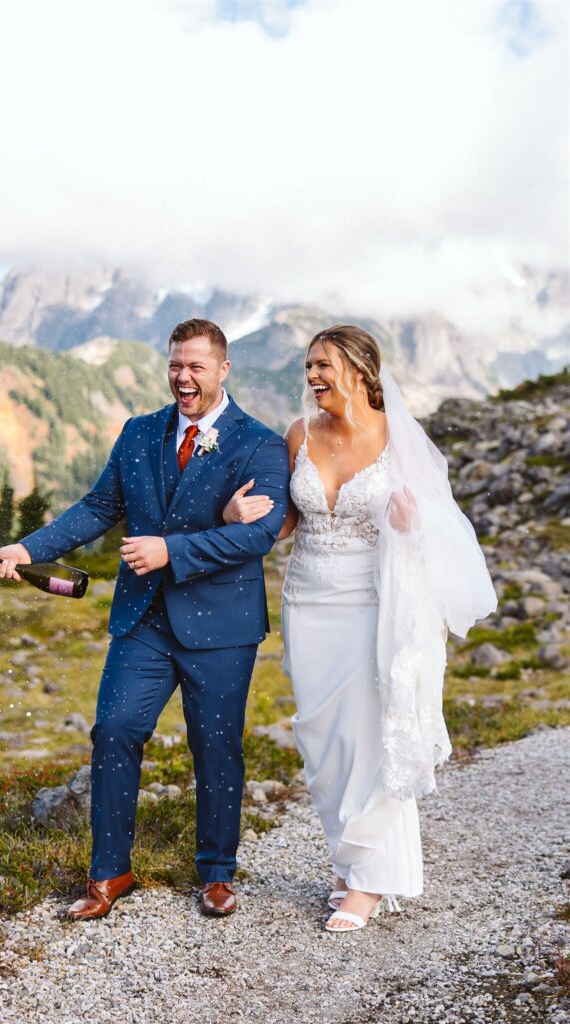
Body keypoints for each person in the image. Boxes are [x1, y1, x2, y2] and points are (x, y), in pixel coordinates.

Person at [0, 318, 289, 920]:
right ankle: (109, 873)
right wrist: (28, 549)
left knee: (217, 748)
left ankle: (216, 874)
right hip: (144, 618)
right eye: (176, 364)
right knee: (114, 730)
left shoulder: (259, 443)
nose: (184, 378)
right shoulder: (139, 432)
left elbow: (259, 534)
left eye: (196, 367)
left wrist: (171, 550)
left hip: (222, 625)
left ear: (223, 370)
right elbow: (100, 506)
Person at [222, 324, 497, 933]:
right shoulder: (300, 434)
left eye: (323, 364)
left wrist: (410, 523)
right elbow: (282, 524)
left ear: (359, 368)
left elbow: (441, 529)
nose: (312, 376)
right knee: (322, 739)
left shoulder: (399, 437)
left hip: (372, 602)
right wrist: (233, 512)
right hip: (307, 600)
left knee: (369, 733)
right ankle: (349, 862)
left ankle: (372, 881)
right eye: (308, 366)